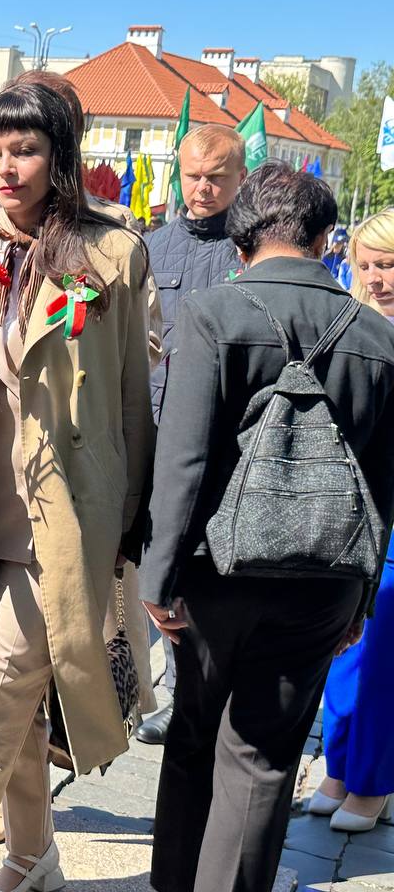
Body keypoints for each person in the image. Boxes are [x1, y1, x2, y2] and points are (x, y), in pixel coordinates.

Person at [0, 83, 153, 892]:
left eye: (26, 150)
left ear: (59, 156)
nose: (7, 168)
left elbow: (132, 398)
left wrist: (128, 527)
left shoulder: (111, 255)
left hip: (60, 529)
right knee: (9, 713)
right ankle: (32, 859)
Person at [141, 165, 394, 892]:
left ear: (240, 239)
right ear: (325, 238)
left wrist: (157, 577)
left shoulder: (214, 313)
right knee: (265, 758)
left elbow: (184, 459)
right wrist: (361, 598)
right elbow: (382, 484)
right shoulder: (377, 337)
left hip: (214, 574)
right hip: (324, 581)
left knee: (194, 734)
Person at [133, 124, 246, 747]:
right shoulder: (150, 249)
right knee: (156, 561)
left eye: (216, 178)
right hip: (155, 430)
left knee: (209, 567)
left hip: (224, 438)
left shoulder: (252, 252)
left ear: (239, 179)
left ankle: (206, 692)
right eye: (193, 176)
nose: (202, 189)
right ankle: (163, 692)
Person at [307, 208, 394, 832]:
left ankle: (372, 781)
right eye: (365, 265)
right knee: (345, 641)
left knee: (385, 647)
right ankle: (338, 766)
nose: (375, 277)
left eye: (387, 264)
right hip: (354, 504)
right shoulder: (350, 322)